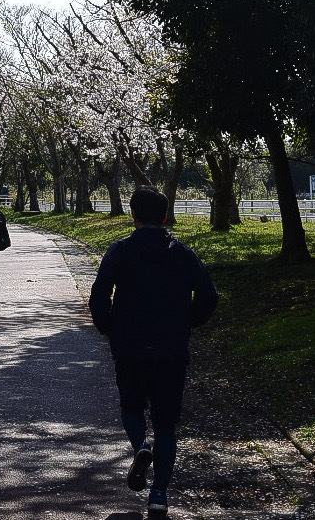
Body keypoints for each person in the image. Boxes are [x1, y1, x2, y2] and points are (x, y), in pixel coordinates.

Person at [88, 186, 218, 515]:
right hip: (170, 349)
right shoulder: (183, 253)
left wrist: (107, 327)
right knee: (165, 424)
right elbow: (208, 296)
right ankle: (158, 494)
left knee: (131, 408)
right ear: (164, 216)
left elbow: (100, 293)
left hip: (129, 345)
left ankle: (140, 447)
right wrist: (189, 321)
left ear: (133, 216)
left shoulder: (120, 251)